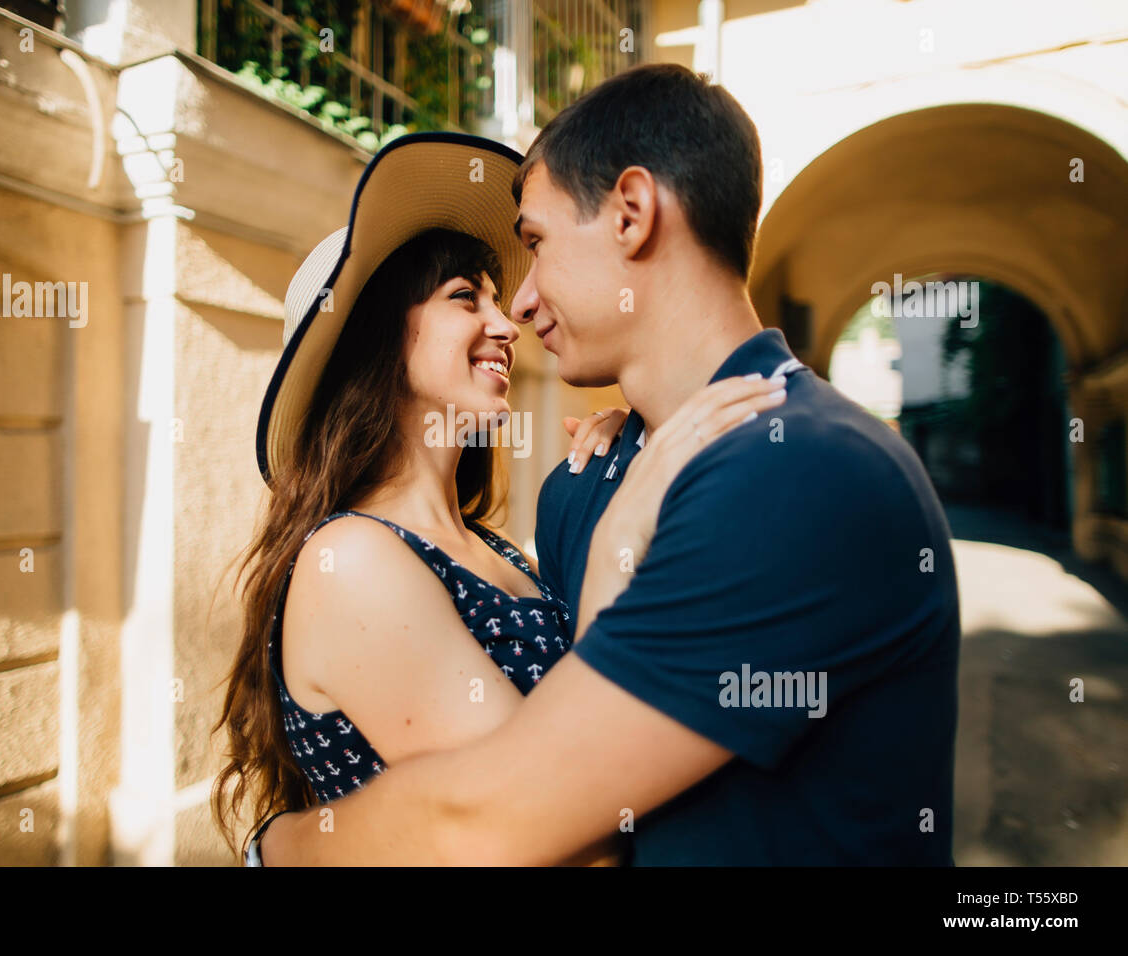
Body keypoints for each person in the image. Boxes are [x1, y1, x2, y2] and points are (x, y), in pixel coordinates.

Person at [257, 64, 962, 866]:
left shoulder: (806, 471)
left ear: (631, 213)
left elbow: (525, 813)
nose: (516, 310)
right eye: (469, 295)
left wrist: (282, 847)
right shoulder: (579, 492)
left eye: (534, 245)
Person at [211, 132, 786, 865]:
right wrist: (622, 528)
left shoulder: (489, 547)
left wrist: (622, 470)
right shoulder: (350, 561)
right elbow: (568, 833)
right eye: (463, 298)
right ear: (379, 342)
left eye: (495, 295)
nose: (504, 322)